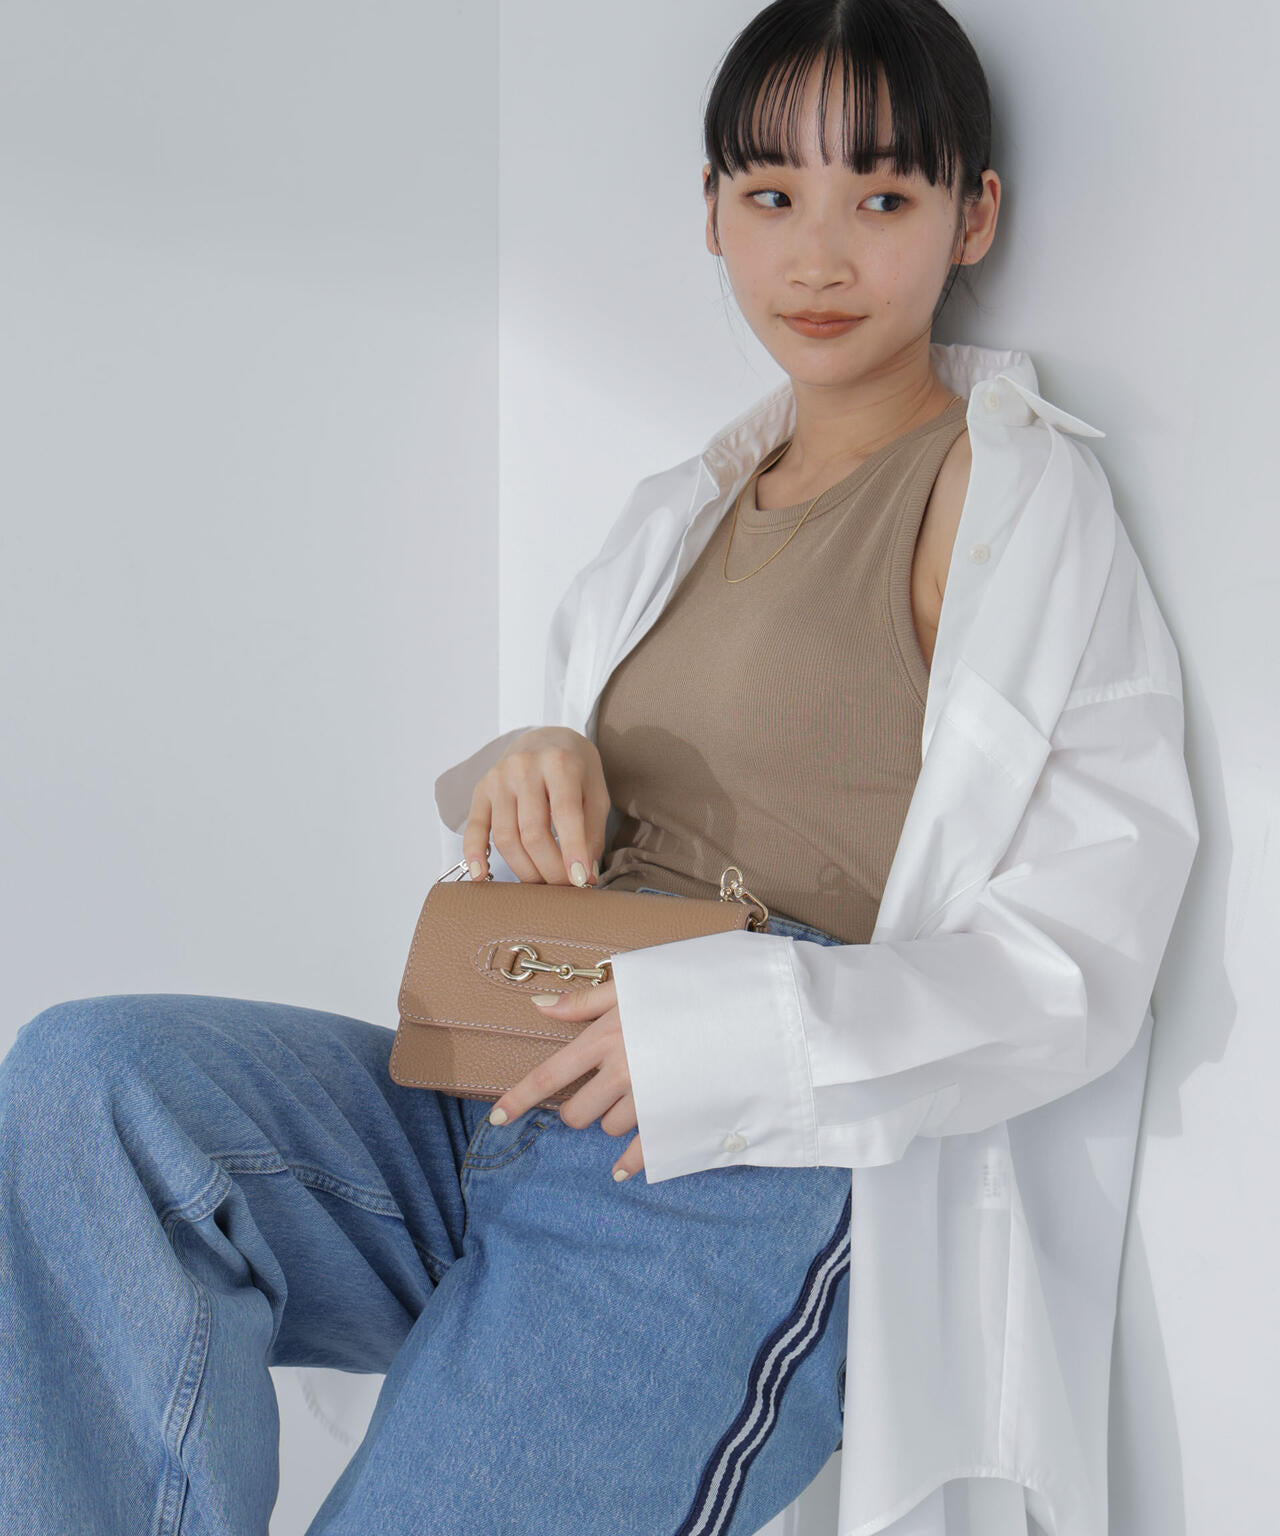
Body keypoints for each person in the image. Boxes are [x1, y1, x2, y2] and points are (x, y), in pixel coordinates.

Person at [0, 4, 1198, 1535]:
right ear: (711, 211)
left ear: (974, 215)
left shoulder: (1014, 497)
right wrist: (532, 760)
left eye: (882, 197)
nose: (818, 256)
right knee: (93, 1091)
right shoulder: (680, 510)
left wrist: (728, 1030)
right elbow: (595, 802)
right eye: (772, 194)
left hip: (735, 1160)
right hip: (500, 1088)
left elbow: (1078, 957)